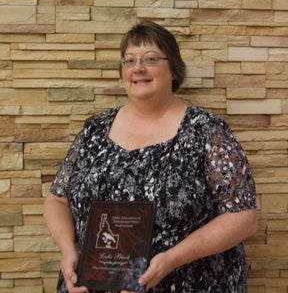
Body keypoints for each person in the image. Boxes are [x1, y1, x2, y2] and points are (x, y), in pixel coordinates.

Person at [43, 20, 258, 293]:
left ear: (174, 69)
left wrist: (171, 259)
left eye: (151, 59)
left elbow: (243, 217)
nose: (138, 68)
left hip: (188, 283)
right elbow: (56, 201)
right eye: (129, 60)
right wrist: (67, 249)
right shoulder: (94, 130)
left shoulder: (206, 130)